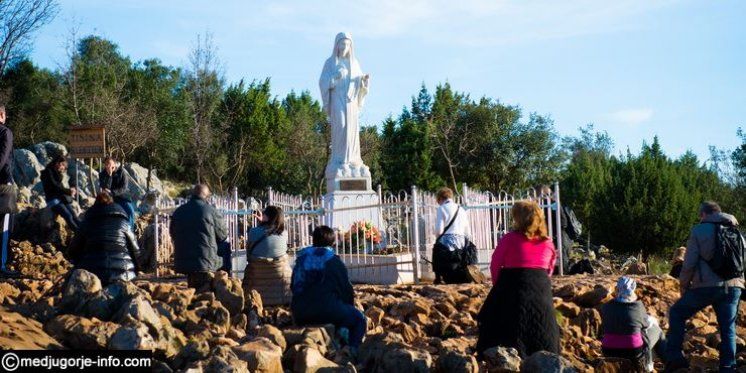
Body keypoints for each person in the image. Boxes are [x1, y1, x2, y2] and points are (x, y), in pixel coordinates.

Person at [665, 202, 745, 372]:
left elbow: (689, 263)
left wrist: (684, 286)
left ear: (704, 214)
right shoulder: (738, 233)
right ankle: (728, 366)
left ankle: (675, 358)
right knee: (728, 328)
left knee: (677, 313)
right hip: (734, 286)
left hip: (705, 287)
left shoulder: (699, 230)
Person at [476, 201, 559, 358]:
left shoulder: (509, 239)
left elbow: (495, 264)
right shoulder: (548, 243)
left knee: (491, 319)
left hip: (512, 286)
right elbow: (549, 270)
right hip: (540, 289)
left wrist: (498, 286)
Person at [291, 226, 366, 351]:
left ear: (313, 240)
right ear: (332, 242)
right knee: (359, 319)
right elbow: (346, 291)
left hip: (300, 313)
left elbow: (293, 286)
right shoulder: (333, 261)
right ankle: (352, 352)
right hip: (328, 311)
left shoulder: (301, 259)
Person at [67, 191, 141, 285]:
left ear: (95, 205)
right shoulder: (124, 222)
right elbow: (135, 250)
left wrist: (79, 261)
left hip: (92, 276)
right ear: (112, 203)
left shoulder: (86, 223)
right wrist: (138, 269)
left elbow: (72, 251)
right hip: (124, 276)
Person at [600, 277, 666, 372]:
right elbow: (646, 325)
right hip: (633, 353)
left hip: (608, 351)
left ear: (617, 289)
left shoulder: (606, 307)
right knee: (657, 332)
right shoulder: (637, 307)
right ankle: (669, 363)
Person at [170, 184, 228, 291]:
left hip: (183, 260)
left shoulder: (179, 211)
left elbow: (173, 234)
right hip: (205, 261)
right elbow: (223, 235)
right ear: (207, 196)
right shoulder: (211, 211)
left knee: (193, 292)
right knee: (204, 294)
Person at [241, 206, 292, 306]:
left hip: (257, 284)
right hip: (282, 290)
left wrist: (261, 223)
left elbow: (249, 256)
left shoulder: (253, 232)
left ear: (266, 217)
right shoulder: (284, 234)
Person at [432, 187, 471, 284]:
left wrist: (436, 236)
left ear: (440, 198)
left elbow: (439, 230)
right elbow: (467, 231)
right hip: (461, 240)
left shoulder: (442, 208)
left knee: (436, 250)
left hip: (447, 240)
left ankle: (438, 278)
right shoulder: (461, 209)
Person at [0, 104, 18, 277]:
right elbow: (3, 157)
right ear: (2, 114)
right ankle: (2, 265)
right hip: (4, 184)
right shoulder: (5, 132)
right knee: (5, 226)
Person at [40, 156, 80, 231]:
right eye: (63, 165)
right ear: (58, 163)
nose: (63, 168)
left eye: (64, 166)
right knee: (68, 216)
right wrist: (69, 191)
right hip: (53, 200)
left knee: (74, 215)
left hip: (61, 198)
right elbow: (56, 187)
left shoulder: (57, 173)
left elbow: (60, 188)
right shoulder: (48, 173)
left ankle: (85, 231)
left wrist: (71, 191)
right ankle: (79, 233)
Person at [99, 156, 135, 229]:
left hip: (122, 197)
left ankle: (130, 230)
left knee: (130, 211)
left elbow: (123, 188)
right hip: (109, 200)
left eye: (109, 163)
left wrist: (112, 192)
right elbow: (105, 188)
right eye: (106, 164)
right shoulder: (102, 174)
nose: (107, 166)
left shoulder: (122, 172)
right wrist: (109, 176)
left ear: (114, 164)